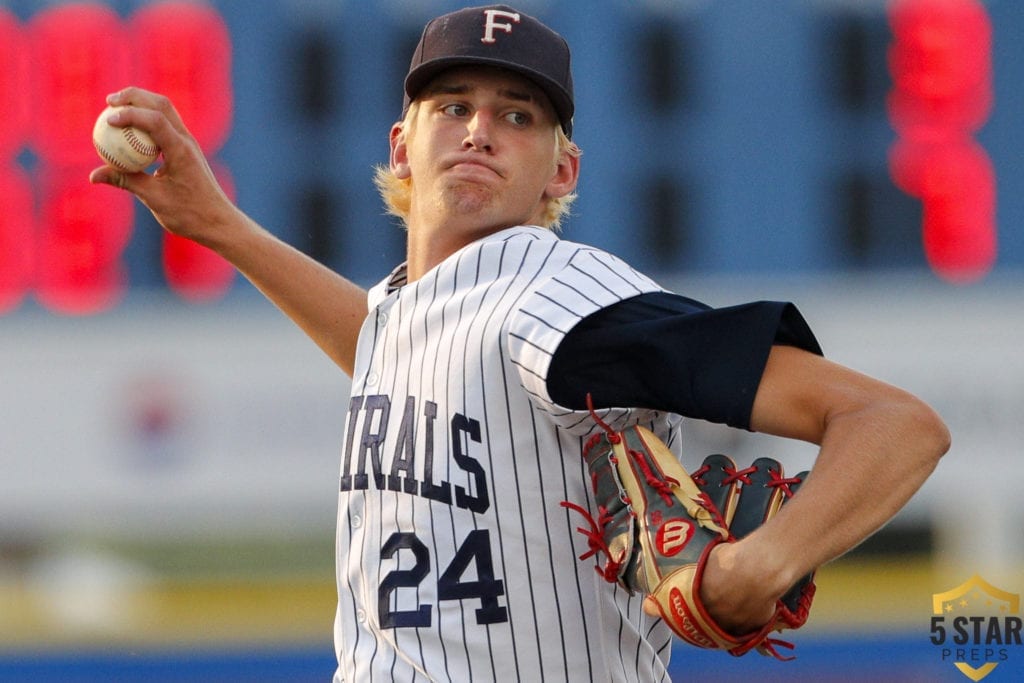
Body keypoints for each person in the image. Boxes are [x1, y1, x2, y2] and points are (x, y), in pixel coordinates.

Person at [89, 5, 950, 681]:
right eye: (453, 106)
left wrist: (758, 565)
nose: (479, 130)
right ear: (404, 144)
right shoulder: (421, 312)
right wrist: (217, 225)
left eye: (517, 115)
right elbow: (394, 345)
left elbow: (894, 422)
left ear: (561, 172)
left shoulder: (563, 304)